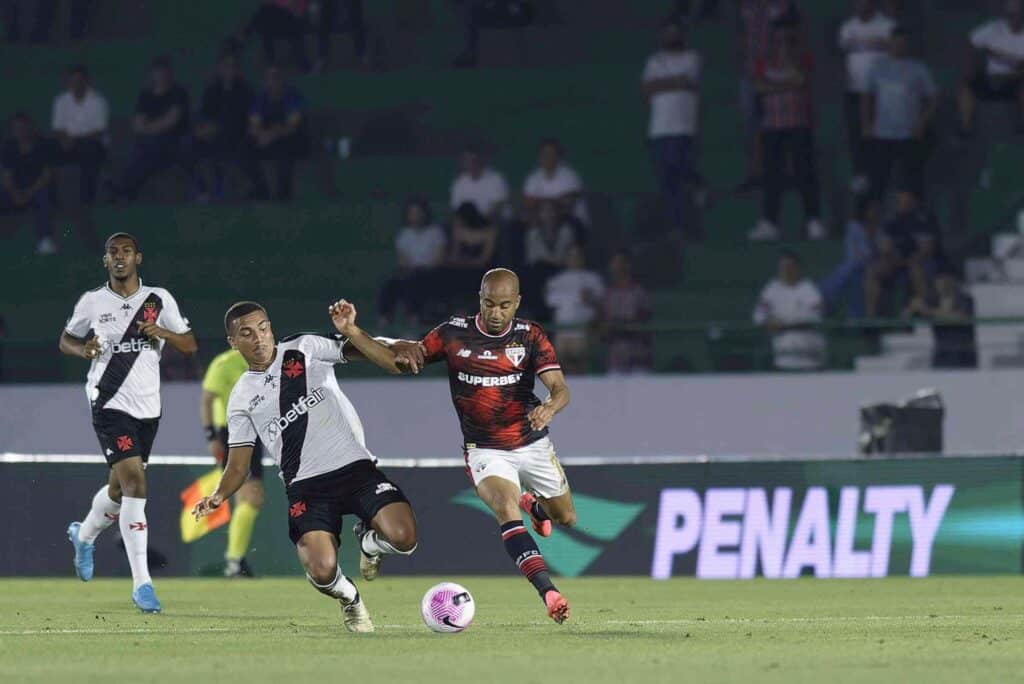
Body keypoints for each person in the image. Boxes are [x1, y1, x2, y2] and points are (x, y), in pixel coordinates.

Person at [192, 300, 425, 632]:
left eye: (263, 328)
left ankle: (369, 542)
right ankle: (350, 599)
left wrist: (387, 341)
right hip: (307, 486)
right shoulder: (241, 397)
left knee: (405, 538)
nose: (258, 338)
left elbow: (360, 347)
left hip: (354, 468)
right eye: (246, 333)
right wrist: (218, 496)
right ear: (233, 342)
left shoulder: (303, 347)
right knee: (322, 569)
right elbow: (238, 466)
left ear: (271, 327)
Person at [412, 269, 573, 624]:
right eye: (488, 304)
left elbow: (561, 389)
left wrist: (549, 407)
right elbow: (414, 354)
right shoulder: (453, 332)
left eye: (503, 305)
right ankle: (549, 592)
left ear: (516, 303)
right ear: (479, 298)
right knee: (504, 505)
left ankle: (536, 507)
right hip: (485, 448)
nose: (495, 313)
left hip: (530, 442)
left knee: (565, 517)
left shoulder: (530, 335)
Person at [62, 233, 198, 613]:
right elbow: (66, 340)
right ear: (105, 261)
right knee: (136, 483)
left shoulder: (159, 299)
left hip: (148, 409)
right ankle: (143, 584)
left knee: (119, 490)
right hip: (108, 403)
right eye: (112, 253)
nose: (119, 258)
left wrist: (164, 333)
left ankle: (84, 535)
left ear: (138, 257)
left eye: (126, 252)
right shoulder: (93, 302)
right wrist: (83, 348)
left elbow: (189, 344)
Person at [748, 21, 825, 241]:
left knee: (805, 174)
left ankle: (813, 221)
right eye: (779, 38)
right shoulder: (764, 62)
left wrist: (775, 86)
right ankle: (770, 223)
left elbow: (803, 80)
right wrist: (787, 85)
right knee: (772, 175)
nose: (783, 43)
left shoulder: (803, 58)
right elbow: (759, 87)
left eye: (788, 38)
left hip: (799, 124)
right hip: (772, 126)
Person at [200, 347, 263, 577]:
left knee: (244, 500)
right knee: (253, 498)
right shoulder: (224, 363)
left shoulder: (262, 359)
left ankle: (235, 560)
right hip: (231, 433)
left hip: (255, 431)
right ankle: (235, 559)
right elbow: (207, 399)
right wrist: (211, 436)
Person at [642, 14, 702, 239]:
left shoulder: (692, 57)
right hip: (659, 129)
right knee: (667, 180)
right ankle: (675, 226)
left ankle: (699, 188)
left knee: (680, 169)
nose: (671, 36)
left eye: (675, 32)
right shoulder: (654, 60)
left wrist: (662, 83)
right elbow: (647, 88)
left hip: (684, 126)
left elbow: (689, 81)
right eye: (667, 32)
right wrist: (675, 82)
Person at [862, 26, 936, 201]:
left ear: (907, 45)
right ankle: (873, 220)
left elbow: (933, 98)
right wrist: (866, 123)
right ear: (890, 43)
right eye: (895, 42)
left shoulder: (918, 68)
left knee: (913, 182)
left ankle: (915, 219)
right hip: (882, 134)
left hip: (909, 135)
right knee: (878, 181)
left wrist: (922, 123)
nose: (898, 46)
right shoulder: (878, 67)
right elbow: (867, 97)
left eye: (902, 43)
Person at [113, 57, 192, 202]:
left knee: (144, 150)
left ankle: (123, 190)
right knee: (142, 151)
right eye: (157, 72)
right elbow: (136, 124)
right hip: (150, 144)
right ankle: (125, 191)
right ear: (152, 74)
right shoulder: (146, 96)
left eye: (163, 72)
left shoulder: (179, 93)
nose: (160, 76)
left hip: (174, 141)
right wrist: (152, 128)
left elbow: (171, 121)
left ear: (170, 73)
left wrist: (149, 128)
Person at [838, 0, 895, 193]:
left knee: (880, 134)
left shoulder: (887, 25)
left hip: (881, 91)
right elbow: (845, 49)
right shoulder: (848, 27)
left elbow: (894, 48)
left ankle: (882, 175)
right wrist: (876, 43)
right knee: (857, 134)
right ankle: (860, 174)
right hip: (854, 89)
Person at [194, 47, 262, 201]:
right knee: (195, 142)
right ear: (219, 68)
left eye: (233, 66)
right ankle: (203, 189)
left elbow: (253, 119)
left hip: (240, 135)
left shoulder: (247, 90)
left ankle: (246, 188)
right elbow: (204, 117)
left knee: (243, 146)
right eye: (226, 66)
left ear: (238, 69)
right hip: (216, 135)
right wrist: (204, 129)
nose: (229, 70)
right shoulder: (212, 90)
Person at [958, 0, 1024, 135]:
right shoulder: (994, 28)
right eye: (1010, 14)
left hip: (1017, 79)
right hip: (992, 78)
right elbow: (970, 43)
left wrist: (1010, 62)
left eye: (1017, 14)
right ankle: (966, 126)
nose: (1013, 18)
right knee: (965, 85)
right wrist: (970, 67)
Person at [378, 198, 447, 326]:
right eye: (412, 213)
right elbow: (403, 260)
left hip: (431, 271)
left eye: (418, 213)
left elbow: (440, 258)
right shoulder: (404, 235)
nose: (416, 217)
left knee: (415, 281)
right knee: (391, 284)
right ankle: (385, 317)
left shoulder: (435, 233)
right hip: (410, 271)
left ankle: (414, 317)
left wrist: (425, 267)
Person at [753, 251, 826, 370]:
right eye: (783, 267)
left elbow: (817, 314)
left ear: (797, 268)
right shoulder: (772, 289)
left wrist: (784, 321)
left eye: (789, 267)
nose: (786, 271)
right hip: (783, 352)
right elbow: (758, 316)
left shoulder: (808, 288)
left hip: (809, 350)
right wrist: (769, 321)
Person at [51, 65, 109, 210]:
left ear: (86, 81)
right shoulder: (61, 101)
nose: (76, 85)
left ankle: (86, 201)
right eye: (73, 81)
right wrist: (64, 140)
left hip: (92, 143)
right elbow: (58, 128)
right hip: (68, 143)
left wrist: (74, 140)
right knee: (48, 149)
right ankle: (49, 199)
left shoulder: (98, 101)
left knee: (89, 151)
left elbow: (99, 131)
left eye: (79, 81)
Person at [248, 65, 309, 201]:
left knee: (285, 151)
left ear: (282, 80)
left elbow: (292, 126)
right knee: (245, 150)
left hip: (292, 139)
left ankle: (283, 195)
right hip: (267, 140)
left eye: (276, 77)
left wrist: (271, 134)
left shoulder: (293, 96)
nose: (273, 81)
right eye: (269, 78)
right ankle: (260, 190)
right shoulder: (261, 98)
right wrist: (262, 135)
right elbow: (254, 124)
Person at [1, 112, 56, 255]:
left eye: (23, 128)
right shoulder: (9, 147)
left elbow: (47, 175)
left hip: (37, 188)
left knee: (44, 199)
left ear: (31, 128)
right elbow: (7, 176)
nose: (20, 132)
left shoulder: (43, 145)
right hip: (16, 190)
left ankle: (45, 240)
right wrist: (15, 194)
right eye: (17, 129)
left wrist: (28, 193)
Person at [544, 244, 604, 374]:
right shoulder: (556, 281)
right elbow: (551, 305)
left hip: (583, 331)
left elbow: (600, 304)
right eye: (571, 256)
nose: (574, 259)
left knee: (582, 367)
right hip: (562, 331)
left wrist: (590, 299)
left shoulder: (593, 279)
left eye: (577, 256)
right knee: (562, 369)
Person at [819, 196, 882, 318]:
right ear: (864, 210)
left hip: (873, 267)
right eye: (872, 209)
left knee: (852, 271)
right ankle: (852, 314)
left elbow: (879, 252)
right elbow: (853, 254)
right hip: (855, 265)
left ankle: (826, 299)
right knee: (853, 272)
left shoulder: (880, 228)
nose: (875, 211)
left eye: (876, 209)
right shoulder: (853, 226)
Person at [904, 267, 977, 369]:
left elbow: (959, 318)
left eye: (946, 280)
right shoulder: (933, 300)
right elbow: (906, 317)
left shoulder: (966, 299)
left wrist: (928, 311)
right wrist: (912, 308)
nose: (942, 284)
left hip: (963, 353)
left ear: (953, 281)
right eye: (939, 280)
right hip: (941, 353)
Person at [602, 250, 653, 373]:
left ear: (628, 265)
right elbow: (604, 322)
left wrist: (624, 323)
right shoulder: (609, 294)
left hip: (638, 355)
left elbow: (644, 319)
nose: (617, 267)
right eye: (614, 264)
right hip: (615, 356)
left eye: (620, 263)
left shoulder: (639, 292)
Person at [522, 138, 588, 227]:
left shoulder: (570, 175)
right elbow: (528, 204)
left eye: (551, 154)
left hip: (572, 221)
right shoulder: (533, 177)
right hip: (542, 220)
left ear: (558, 156)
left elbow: (567, 204)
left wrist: (542, 203)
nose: (547, 157)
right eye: (544, 154)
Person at [450, 145, 510, 221]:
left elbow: (498, 207)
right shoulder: (458, 183)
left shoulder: (496, 179)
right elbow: (457, 210)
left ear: (481, 160)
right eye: (467, 160)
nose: (471, 163)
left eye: (474, 160)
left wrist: (480, 223)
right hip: (470, 225)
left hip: (496, 223)